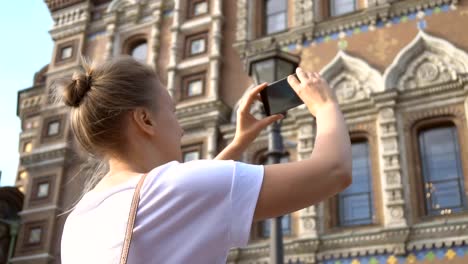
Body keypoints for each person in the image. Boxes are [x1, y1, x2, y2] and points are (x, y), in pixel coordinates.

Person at [60, 57, 352, 263]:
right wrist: (325, 106)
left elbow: (184, 202)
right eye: (172, 112)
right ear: (145, 119)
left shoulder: (79, 217)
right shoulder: (171, 188)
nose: (181, 127)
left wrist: (238, 144)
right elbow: (333, 171)